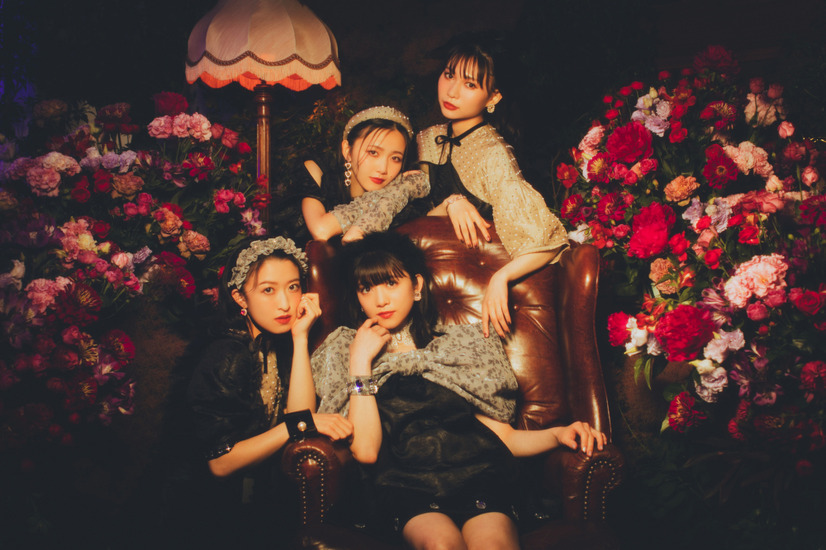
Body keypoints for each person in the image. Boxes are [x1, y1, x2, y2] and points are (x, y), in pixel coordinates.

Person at [311, 232, 606, 550]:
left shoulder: (461, 346)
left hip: (479, 476)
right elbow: (366, 451)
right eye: (366, 288)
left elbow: (504, 438)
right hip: (404, 486)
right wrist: (360, 362)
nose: (380, 300)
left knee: (494, 546)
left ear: (417, 286)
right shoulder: (347, 350)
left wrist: (558, 434)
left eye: (391, 283)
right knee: (442, 545)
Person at [185, 236, 352, 545]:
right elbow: (220, 463)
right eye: (268, 290)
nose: (285, 304)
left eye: (293, 287)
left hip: (259, 506)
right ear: (240, 298)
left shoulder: (275, 341)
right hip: (212, 517)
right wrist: (297, 424)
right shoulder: (227, 355)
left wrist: (300, 338)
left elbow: (300, 415)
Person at [414, 36, 570, 339]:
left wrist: (502, 278)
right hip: (422, 288)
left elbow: (548, 239)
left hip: (469, 299)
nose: (452, 91)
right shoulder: (428, 137)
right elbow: (412, 219)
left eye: (470, 84)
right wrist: (450, 203)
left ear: (493, 97)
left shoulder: (493, 153)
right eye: (449, 75)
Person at [273, 105, 429, 246]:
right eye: (373, 152)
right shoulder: (318, 169)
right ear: (347, 151)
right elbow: (321, 230)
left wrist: (400, 192)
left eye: (395, 158)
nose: (383, 169)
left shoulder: (397, 198)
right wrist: (391, 191)